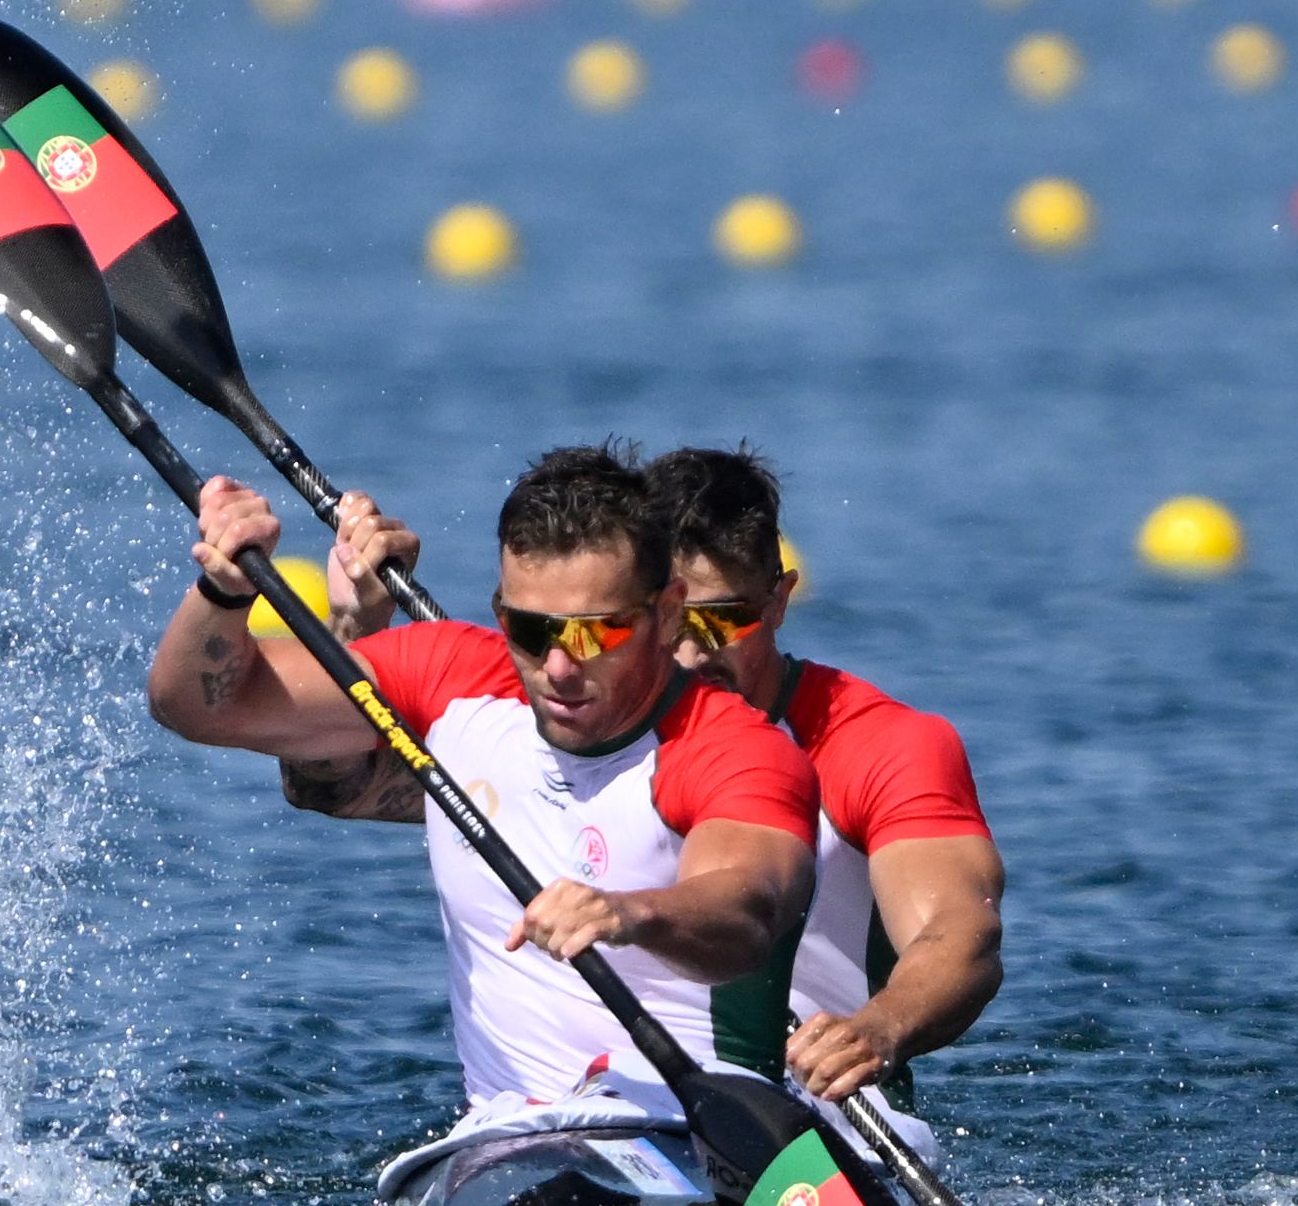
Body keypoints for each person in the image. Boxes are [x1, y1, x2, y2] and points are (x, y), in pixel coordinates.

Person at [283, 448, 1004, 1115]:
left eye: (720, 620)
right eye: (663, 624)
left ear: (779, 601)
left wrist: (875, 1030)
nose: (686, 650)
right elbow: (328, 785)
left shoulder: (877, 745)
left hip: (816, 1125)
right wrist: (356, 627)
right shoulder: (568, 734)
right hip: (606, 1116)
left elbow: (960, 938)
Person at [147, 445, 821, 1111]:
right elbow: (200, 704)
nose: (558, 667)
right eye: (532, 630)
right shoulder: (453, 677)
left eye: (596, 634)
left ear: (668, 612)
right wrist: (224, 589)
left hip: (706, 1132)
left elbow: (743, 911)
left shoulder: (734, 748)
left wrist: (626, 911)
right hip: (516, 1145)